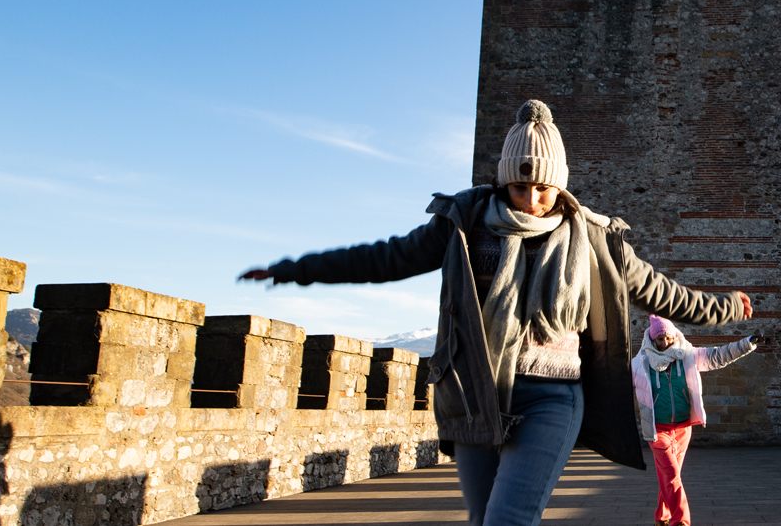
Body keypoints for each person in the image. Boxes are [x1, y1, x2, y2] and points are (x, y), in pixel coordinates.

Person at [236, 100, 752, 526]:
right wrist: (294, 269)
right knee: (484, 519)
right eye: (520, 185)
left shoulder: (594, 239)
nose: (531, 199)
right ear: (503, 178)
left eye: (544, 187)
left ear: (560, 184)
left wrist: (725, 306)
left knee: (507, 521)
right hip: (476, 394)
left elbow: (660, 292)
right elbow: (387, 257)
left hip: (554, 397)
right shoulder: (465, 221)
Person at [631, 316, 759, 526]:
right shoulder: (640, 364)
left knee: (671, 474)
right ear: (653, 340)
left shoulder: (687, 355)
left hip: (682, 428)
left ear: (674, 336)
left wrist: (747, 344)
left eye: (667, 338)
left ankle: (661, 516)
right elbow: (616, 381)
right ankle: (681, 521)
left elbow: (718, 355)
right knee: (671, 473)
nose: (664, 343)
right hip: (657, 429)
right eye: (660, 339)